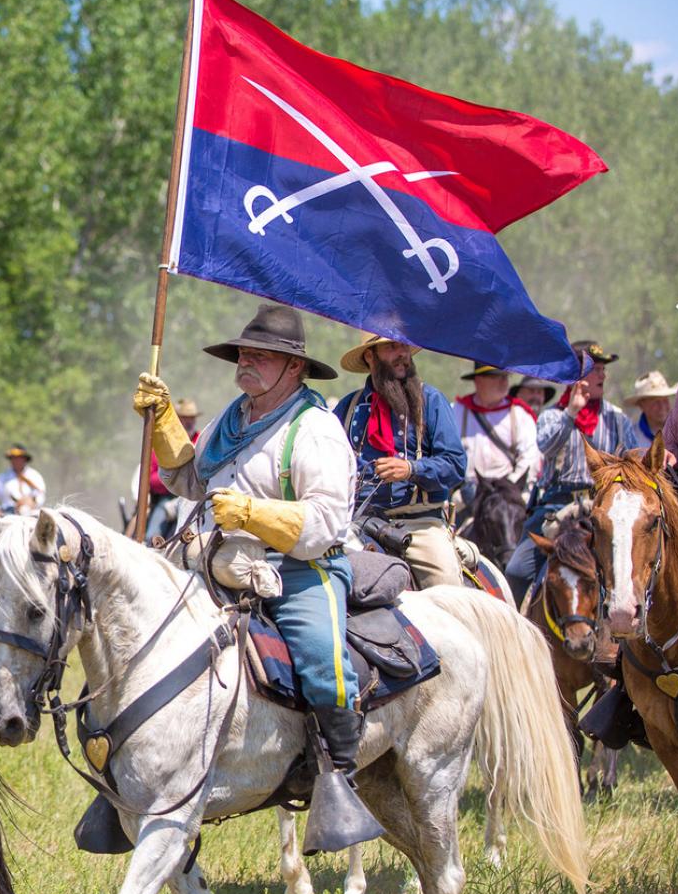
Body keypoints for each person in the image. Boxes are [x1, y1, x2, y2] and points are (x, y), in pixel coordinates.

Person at [137, 302, 377, 850]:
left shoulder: (315, 429)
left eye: (261, 356)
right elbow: (190, 479)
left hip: (298, 567)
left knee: (322, 660)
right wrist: (164, 419)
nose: (246, 362)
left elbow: (324, 523)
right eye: (244, 353)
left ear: (294, 368)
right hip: (219, 561)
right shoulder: (233, 416)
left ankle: (337, 777)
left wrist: (252, 513)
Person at [504, 340, 643, 602]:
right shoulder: (552, 415)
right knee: (517, 572)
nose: (603, 374)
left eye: (603, 369)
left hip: (601, 506)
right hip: (555, 508)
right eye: (596, 369)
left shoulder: (618, 418)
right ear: (575, 376)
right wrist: (571, 413)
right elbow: (546, 446)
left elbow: (631, 462)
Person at [335, 333, 467, 588]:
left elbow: (456, 465)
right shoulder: (348, 407)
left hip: (419, 526)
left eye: (404, 346)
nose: (402, 354)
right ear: (370, 356)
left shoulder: (432, 401)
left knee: (447, 584)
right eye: (392, 347)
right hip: (357, 523)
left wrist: (411, 469)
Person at [454, 362, 539, 503]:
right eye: (495, 376)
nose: (504, 381)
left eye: (505, 376)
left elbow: (529, 458)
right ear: (478, 380)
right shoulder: (457, 411)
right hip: (468, 493)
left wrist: (508, 486)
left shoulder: (519, 414)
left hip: (508, 491)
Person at [143, 398, 200, 541]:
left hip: (198, 496)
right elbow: (151, 479)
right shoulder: (163, 445)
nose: (189, 422)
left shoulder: (202, 441)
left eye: (191, 418)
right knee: (152, 537)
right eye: (184, 418)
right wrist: (176, 479)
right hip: (168, 498)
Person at [0, 446, 46, 516]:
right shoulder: (2, 478)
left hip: (31, 513)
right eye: (13, 458)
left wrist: (32, 503)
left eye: (19, 458)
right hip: (8, 514)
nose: (16, 461)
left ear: (24, 459)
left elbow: (41, 494)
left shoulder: (34, 476)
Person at [625, 370, 677, 442]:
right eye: (655, 401)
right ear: (641, 405)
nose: (662, 406)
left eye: (665, 400)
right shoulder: (630, 438)